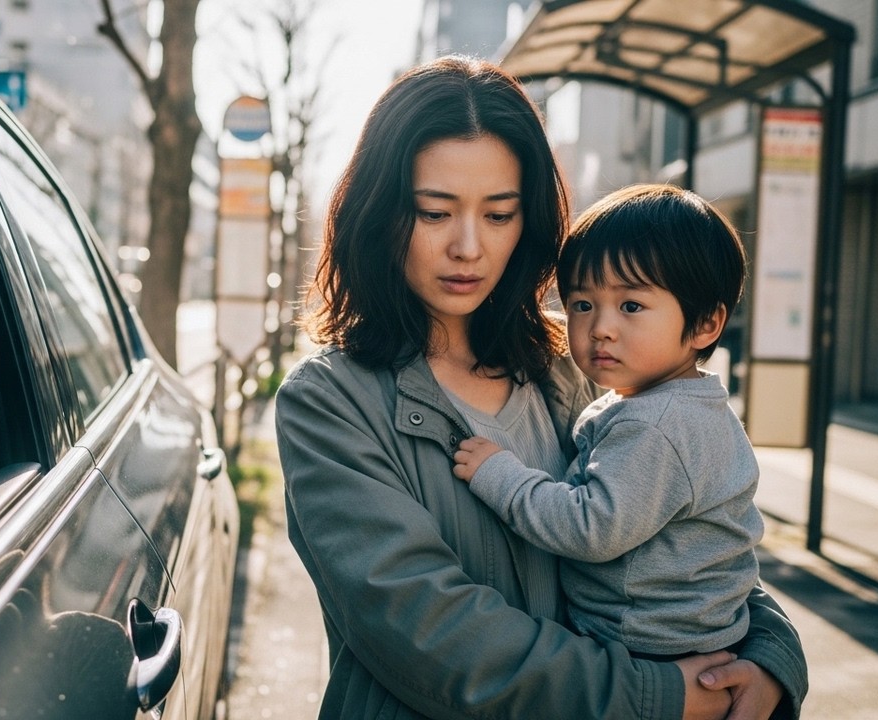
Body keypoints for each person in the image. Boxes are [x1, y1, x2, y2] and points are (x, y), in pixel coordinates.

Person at [274, 55, 807, 719]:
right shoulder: (330, 402)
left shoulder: (576, 363)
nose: (469, 247)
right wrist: (662, 697)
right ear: (382, 213)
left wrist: (770, 658)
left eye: (500, 215)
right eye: (435, 213)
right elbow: (436, 637)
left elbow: (698, 545)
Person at [452, 183, 764, 660]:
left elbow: (591, 528)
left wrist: (502, 476)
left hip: (650, 649)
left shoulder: (656, 425)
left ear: (705, 324)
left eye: (631, 305)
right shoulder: (687, 405)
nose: (600, 327)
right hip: (688, 638)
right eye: (582, 304)